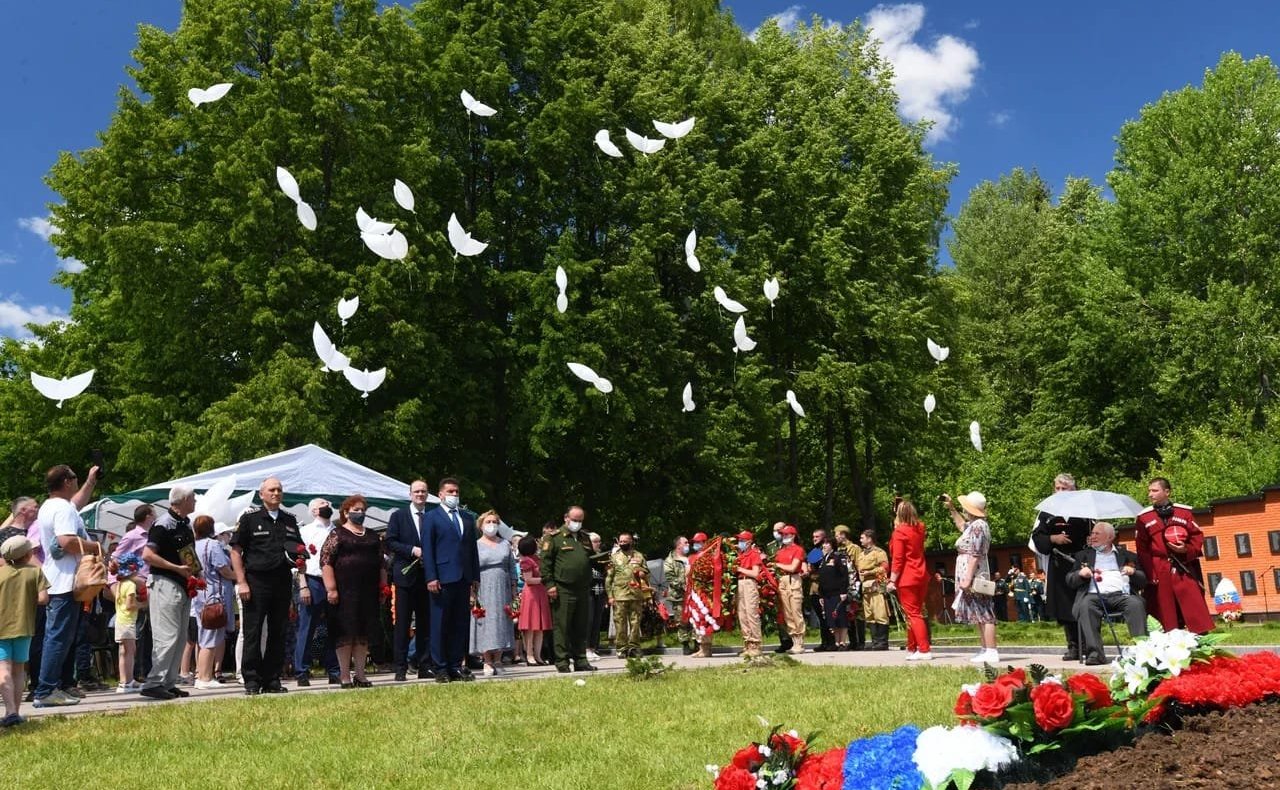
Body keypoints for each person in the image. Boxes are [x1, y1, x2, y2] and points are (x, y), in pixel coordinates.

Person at [33, 464, 100, 708]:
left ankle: (58, 685)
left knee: (64, 637)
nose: (76, 480)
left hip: (58, 579)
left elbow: (77, 504)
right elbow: (66, 541)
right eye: (74, 477)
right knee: (59, 638)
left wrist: (91, 481)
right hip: (65, 581)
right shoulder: (62, 509)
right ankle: (45, 690)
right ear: (66, 482)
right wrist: (95, 547)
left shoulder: (51, 505)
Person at [231, 477, 305, 695]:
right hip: (256, 581)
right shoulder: (250, 519)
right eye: (272, 490)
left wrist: (301, 561)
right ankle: (252, 680)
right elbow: (236, 552)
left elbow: (298, 550)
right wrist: (242, 581)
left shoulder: (289, 520)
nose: (276, 493)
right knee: (252, 632)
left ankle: (272, 678)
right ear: (261, 494)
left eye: (279, 490)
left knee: (278, 631)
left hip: (282, 581)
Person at [139, 487, 198, 701]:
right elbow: (148, 555)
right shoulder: (163, 524)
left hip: (181, 583)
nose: (195, 501)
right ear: (182, 501)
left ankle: (168, 682)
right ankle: (154, 682)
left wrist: (196, 575)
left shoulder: (185, 524)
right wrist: (175, 568)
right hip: (165, 583)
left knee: (181, 636)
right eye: (193, 498)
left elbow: (189, 554)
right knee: (168, 635)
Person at [321, 496, 386, 688]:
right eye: (356, 509)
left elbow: (382, 563)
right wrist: (331, 589)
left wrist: (383, 587)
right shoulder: (337, 534)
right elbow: (326, 562)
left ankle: (360, 674)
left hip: (368, 591)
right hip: (344, 591)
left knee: (363, 634)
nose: (360, 513)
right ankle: (344, 675)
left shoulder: (373, 536)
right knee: (346, 633)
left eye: (363, 509)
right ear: (346, 512)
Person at [1135, 478, 1214, 634]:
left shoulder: (1184, 513)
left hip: (1184, 566)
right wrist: (1151, 574)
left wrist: (1187, 549)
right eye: (1149, 491)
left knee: (1193, 604)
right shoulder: (1144, 518)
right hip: (1160, 568)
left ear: (1167, 492)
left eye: (1155, 490)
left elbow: (1197, 536)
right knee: (1165, 609)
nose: (1150, 494)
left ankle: (1201, 639)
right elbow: (1142, 549)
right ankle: (1169, 641)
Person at [422, 478, 480, 683]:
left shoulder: (466, 518)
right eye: (450, 491)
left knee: (460, 623)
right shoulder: (431, 517)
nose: (454, 495)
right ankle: (440, 667)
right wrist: (431, 576)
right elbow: (428, 550)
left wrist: (475, 577)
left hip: (463, 577)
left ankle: (456, 665)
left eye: (456, 491)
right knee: (440, 623)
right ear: (440, 494)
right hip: (442, 578)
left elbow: (472, 550)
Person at [1031, 473, 1094, 656]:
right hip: (1059, 563)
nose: (1059, 492)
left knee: (1084, 604)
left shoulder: (1085, 510)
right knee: (1065, 607)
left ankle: (1088, 644)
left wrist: (1093, 539)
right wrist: (1053, 538)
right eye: (1057, 488)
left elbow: (1096, 531)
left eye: (1064, 488)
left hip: (1081, 562)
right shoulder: (1047, 511)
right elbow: (1037, 537)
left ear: (1073, 490)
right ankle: (1073, 646)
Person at [1067, 522, 1148, 665]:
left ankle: (1142, 652)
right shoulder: (1082, 556)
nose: (1092, 536)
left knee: (1135, 604)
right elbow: (1070, 580)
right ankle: (1095, 654)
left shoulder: (1128, 556)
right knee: (1086, 605)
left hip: (1121, 595)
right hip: (1094, 596)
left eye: (1096, 533)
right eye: (1092, 533)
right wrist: (1080, 574)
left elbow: (1143, 581)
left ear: (1110, 537)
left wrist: (1133, 572)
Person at [385, 481, 434, 682]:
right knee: (402, 624)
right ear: (410, 494)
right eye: (417, 491)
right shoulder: (398, 516)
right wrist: (411, 550)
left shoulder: (432, 516)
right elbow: (390, 541)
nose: (420, 494)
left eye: (423, 491)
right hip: (405, 577)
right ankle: (400, 667)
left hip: (428, 578)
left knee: (425, 624)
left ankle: (424, 664)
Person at [943, 491, 998, 664]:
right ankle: (985, 648)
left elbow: (975, 553)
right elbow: (961, 525)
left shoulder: (979, 526)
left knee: (984, 611)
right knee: (977, 612)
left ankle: (991, 649)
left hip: (975, 572)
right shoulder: (974, 524)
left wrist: (967, 577)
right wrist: (951, 508)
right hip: (971, 570)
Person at [542, 506, 598, 673]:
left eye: (580, 521)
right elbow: (545, 563)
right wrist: (550, 585)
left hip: (583, 588)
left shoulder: (584, 538)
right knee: (563, 626)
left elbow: (590, 559)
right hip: (562, 588)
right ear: (566, 518)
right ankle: (562, 661)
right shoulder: (553, 538)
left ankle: (581, 660)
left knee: (581, 626)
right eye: (575, 520)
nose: (577, 523)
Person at [0, 535, 48, 726]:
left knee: (3, 668)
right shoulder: (35, 572)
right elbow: (43, 599)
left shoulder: (1, 573)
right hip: (24, 626)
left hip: (1, 627)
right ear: (28, 554)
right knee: (19, 670)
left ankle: (10, 711)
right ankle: (16, 712)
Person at [294, 498, 340, 686]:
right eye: (322, 504)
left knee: (333, 627)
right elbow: (298, 561)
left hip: (335, 582)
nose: (327, 506)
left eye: (328, 504)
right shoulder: (305, 531)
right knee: (307, 627)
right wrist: (303, 585)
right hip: (313, 580)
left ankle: (334, 669)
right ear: (313, 511)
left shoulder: (338, 531)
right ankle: (302, 670)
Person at [111, 504, 156, 684]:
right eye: (154, 514)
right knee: (132, 636)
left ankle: (140, 673)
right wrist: (121, 581)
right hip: (136, 587)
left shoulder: (151, 535)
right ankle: (130, 676)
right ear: (147, 516)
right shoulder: (132, 536)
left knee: (143, 636)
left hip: (146, 585)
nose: (156, 517)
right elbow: (115, 559)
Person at [190, 516, 236, 690]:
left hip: (200, 595)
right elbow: (223, 570)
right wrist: (240, 576)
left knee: (203, 635)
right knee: (212, 636)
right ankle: (205, 677)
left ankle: (201, 675)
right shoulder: (213, 545)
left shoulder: (193, 546)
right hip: (215, 595)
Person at [469, 511, 516, 677]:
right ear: (481, 525)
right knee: (485, 621)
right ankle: (487, 660)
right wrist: (472, 591)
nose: (492, 525)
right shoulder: (475, 545)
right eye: (488, 522)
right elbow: (471, 568)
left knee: (502, 620)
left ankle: (498, 659)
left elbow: (511, 567)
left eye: (495, 522)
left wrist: (513, 588)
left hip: (502, 587)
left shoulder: (505, 544)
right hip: (483, 586)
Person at [887, 500, 931, 661]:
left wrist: (892, 580)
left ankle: (924, 649)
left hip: (907, 577)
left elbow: (898, 559)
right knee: (915, 614)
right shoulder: (920, 528)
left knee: (913, 614)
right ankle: (912, 648)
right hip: (921, 574)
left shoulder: (899, 532)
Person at [605, 532, 650, 659]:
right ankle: (621, 648)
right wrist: (610, 596)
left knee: (635, 623)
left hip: (636, 594)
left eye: (626, 541)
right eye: (621, 541)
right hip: (619, 595)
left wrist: (642, 573)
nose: (623, 543)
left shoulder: (639, 556)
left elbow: (646, 571)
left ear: (631, 541)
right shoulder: (613, 557)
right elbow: (609, 578)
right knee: (620, 623)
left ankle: (634, 647)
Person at [517, 535, 552, 666]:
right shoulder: (526, 561)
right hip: (531, 594)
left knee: (540, 627)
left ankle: (538, 655)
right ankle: (529, 655)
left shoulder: (538, 559)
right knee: (530, 627)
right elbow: (528, 580)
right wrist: (544, 579)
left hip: (541, 593)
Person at [773, 525, 807, 654]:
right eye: (783, 534)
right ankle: (794, 641)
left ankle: (800, 641)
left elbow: (793, 567)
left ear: (793, 535)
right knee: (787, 613)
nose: (784, 537)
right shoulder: (780, 551)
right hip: (782, 580)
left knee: (795, 611)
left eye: (786, 534)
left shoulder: (798, 549)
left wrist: (777, 565)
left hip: (793, 580)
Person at [113, 553, 143, 692]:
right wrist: (143, 604)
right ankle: (129, 681)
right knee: (130, 651)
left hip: (120, 620)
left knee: (123, 652)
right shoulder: (130, 585)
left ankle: (123, 681)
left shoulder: (120, 583)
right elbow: (130, 605)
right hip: (128, 621)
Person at [856, 530, 890, 650]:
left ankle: (882, 642)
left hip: (877, 586)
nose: (860, 540)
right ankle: (875, 641)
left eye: (862, 538)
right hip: (866, 587)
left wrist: (870, 572)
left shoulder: (879, 552)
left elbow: (884, 567)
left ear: (870, 539)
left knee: (880, 614)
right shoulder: (861, 555)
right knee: (869, 615)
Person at [814, 537, 850, 650]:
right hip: (827, 594)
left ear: (832, 545)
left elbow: (844, 575)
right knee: (832, 619)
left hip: (838, 593)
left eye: (827, 544)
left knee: (841, 618)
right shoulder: (823, 559)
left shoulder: (839, 556)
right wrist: (821, 594)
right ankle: (836, 642)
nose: (824, 546)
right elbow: (821, 578)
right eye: (823, 544)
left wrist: (844, 591)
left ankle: (843, 642)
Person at [763, 523, 793, 654]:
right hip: (774, 582)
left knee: (790, 611)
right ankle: (784, 640)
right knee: (778, 612)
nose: (776, 533)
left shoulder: (790, 544)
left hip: (788, 580)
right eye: (774, 530)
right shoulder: (770, 546)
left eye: (779, 531)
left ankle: (794, 639)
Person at [734, 531, 764, 659]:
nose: (739, 543)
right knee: (742, 615)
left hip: (749, 583)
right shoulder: (739, 555)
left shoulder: (754, 554)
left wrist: (740, 569)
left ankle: (756, 644)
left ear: (749, 542)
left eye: (741, 540)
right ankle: (747, 643)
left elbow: (755, 573)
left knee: (751, 613)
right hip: (740, 584)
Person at [660, 536, 693, 654]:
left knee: (695, 619)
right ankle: (685, 644)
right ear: (678, 545)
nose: (688, 545)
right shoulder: (670, 561)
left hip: (694, 595)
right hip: (679, 595)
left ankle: (697, 642)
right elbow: (670, 578)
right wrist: (684, 583)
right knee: (682, 620)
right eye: (686, 543)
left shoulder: (691, 558)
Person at [834, 525, 864, 650]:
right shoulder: (838, 549)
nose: (836, 538)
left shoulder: (854, 548)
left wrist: (859, 584)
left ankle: (859, 641)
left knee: (856, 612)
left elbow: (859, 565)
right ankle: (851, 641)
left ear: (843, 535)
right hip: (843, 585)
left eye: (837, 535)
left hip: (853, 584)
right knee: (847, 613)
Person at [686, 532, 715, 659]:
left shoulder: (710, 556)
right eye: (695, 543)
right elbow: (687, 573)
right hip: (693, 590)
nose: (696, 545)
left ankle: (706, 649)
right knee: (696, 619)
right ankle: (701, 648)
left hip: (704, 592)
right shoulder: (692, 557)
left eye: (698, 542)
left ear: (705, 543)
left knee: (704, 619)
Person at [806, 528, 832, 651]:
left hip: (824, 586)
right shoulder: (814, 551)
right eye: (813, 537)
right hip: (814, 587)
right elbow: (809, 565)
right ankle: (824, 641)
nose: (814, 539)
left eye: (817, 536)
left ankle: (831, 642)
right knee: (820, 617)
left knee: (826, 615)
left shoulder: (826, 552)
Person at [586, 530, 607, 661]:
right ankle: (586, 648)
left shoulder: (601, 555)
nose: (597, 544)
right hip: (588, 591)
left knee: (597, 620)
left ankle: (593, 647)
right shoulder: (585, 555)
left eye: (599, 541)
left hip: (600, 591)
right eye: (595, 541)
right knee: (588, 620)